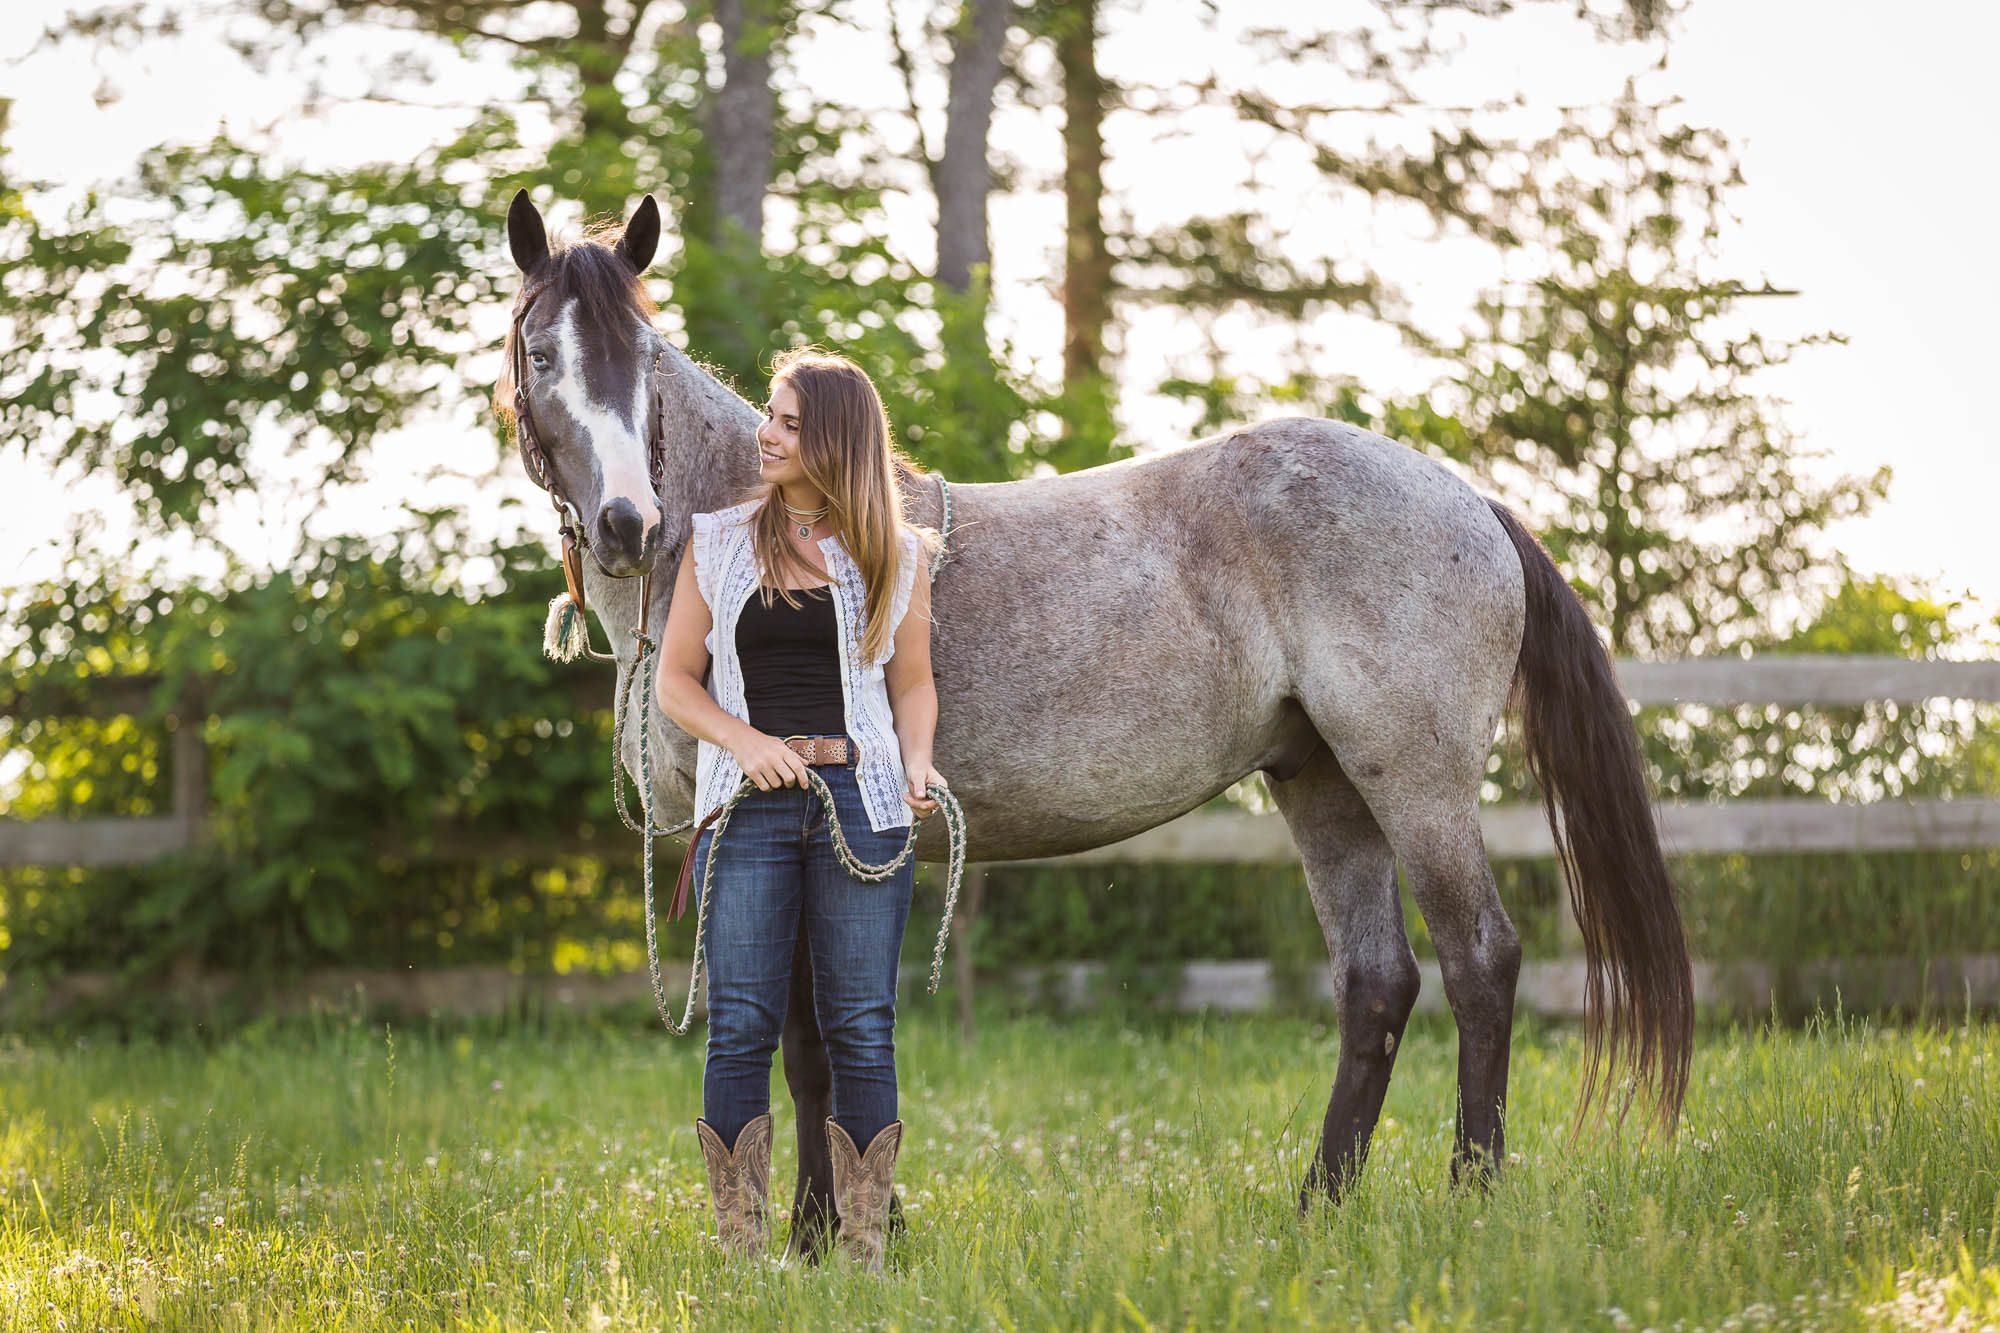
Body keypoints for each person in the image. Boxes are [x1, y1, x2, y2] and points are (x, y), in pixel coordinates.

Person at [653, 345, 945, 1270]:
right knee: (740, 1021)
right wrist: (745, 743)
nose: (763, 432)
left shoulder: (896, 552)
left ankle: (862, 1253)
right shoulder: (720, 539)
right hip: (748, 807)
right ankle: (740, 1254)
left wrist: (919, 764)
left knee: (862, 1023)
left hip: (861, 805)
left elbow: (914, 685)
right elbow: (675, 680)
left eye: (785, 420)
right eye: (768, 415)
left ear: (834, 440)